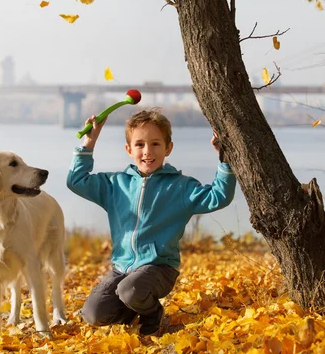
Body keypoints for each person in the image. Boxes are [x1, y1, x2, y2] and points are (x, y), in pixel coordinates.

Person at [66, 108, 236, 336]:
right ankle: (134, 309)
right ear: (129, 149)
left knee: (131, 289)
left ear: (168, 148)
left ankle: (152, 313)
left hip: (159, 268)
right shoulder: (115, 185)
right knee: (93, 314)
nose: (147, 151)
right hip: (121, 269)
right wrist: (90, 141)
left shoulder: (180, 187)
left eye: (155, 144)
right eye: (139, 145)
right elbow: (76, 181)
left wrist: (224, 159)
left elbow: (218, 197)